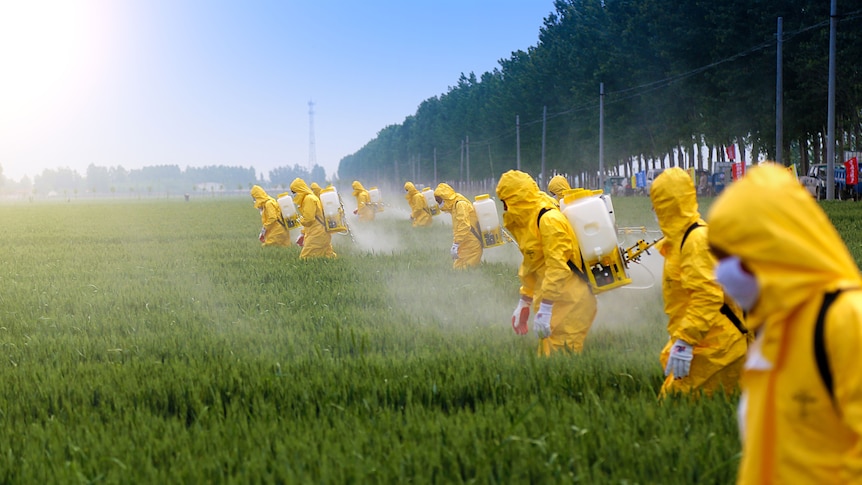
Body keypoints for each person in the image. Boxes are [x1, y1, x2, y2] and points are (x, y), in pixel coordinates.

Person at [707, 163, 862, 484]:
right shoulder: (774, 330)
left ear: (772, 249)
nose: (721, 273)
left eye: (731, 257)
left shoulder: (846, 319)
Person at [649, 167, 747, 397]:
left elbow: (708, 296)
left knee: (675, 410)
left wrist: (685, 340)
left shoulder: (695, 241)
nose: (654, 209)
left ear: (669, 204)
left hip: (717, 349)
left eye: (657, 202)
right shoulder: (680, 240)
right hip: (706, 342)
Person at [496, 170, 597, 355]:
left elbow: (558, 267)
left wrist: (546, 307)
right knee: (549, 362)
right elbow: (533, 263)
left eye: (505, 202)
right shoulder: (530, 222)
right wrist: (525, 300)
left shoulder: (548, 220)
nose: (503, 208)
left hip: (570, 303)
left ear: (517, 199)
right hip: (556, 301)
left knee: (561, 367)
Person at [433, 183, 483, 269]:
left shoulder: (460, 204)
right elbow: (458, 228)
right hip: (465, 243)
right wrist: (456, 243)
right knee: (458, 270)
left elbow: (464, 226)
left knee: (466, 271)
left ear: (445, 197)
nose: (438, 204)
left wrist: (456, 243)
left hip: (472, 244)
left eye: (439, 201)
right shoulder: (454, 206)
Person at [290, 178, 336, 260]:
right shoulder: (308, 198)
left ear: (299, 189)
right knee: (328, 256)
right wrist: (303, 234)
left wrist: (300, 220)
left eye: (294, 192)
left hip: (317, 233)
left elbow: (309, 219)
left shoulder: (309, 199)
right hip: (320, 232)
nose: (293, 194)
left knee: (305, 258)